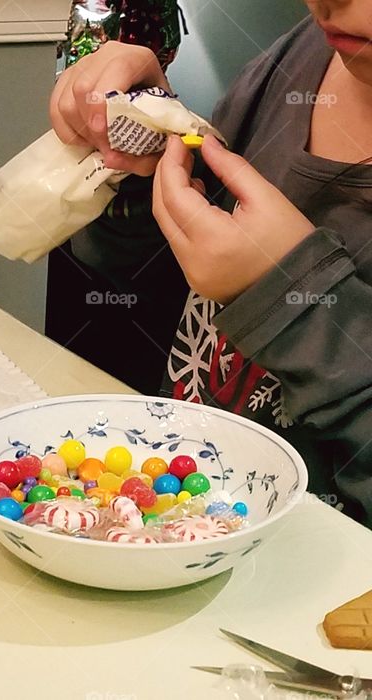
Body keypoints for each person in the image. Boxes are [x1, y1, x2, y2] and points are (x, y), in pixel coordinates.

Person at [49, 0, 372, 525]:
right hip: (179, 519)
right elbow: (149, 279)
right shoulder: (291, 63)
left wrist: (287, 300)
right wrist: (139, 164)